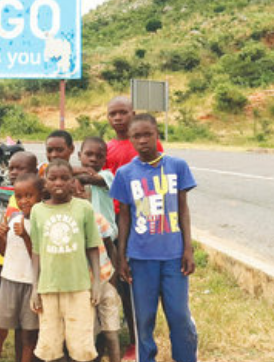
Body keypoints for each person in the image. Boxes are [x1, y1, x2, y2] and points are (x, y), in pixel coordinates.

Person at [110, 114, 198, 362]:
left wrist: (187, 248)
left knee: (179, 315)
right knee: (143, 318)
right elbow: (124, 216)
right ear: (130, 139)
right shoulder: (126, 173)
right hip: (140, 258)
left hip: (173, 255)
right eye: (136, 136)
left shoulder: (177, 166)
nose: (142, 140)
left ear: (156, 134)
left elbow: (182, 209)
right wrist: (123, 257)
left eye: (147, 134)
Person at [103, 96, 163, 361]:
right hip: (115, 222)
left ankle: (139, 338)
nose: (117, 118)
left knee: (136, 282)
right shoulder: (107, 148)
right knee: (118, 278)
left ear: (133, 113)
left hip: (143, 220)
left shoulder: (145, 141)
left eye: (122, 113)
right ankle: (123, 332)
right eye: (112, 114)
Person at [29, 159, 101, 362]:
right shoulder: (37, 211)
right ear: (45, 182)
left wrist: (96, 283)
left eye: (64, 178)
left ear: (73, 181)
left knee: (82, 346)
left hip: (79, 287)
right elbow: (36, 252)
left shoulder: (83, 208)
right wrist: (35, 287)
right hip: (48, 287)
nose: (58, 183)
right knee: (48, 346)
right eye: (53, 178)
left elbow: (92, 247)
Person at [0, 173, 43, 362]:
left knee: (28, 337)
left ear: (40, 196)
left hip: (31, 284)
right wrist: (1, 239)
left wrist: (26, 236)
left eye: (29, 196)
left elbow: (37, 256)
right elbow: (7, 251)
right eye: (19, 197)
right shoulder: (13, 219)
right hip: (9, 281)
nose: (24, 201)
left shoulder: (41, 222)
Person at [75, 137, 121, 362]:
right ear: (79, 154)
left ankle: (104, 351)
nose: (93, 159)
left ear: (105, 160)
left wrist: (65, 169)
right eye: (88, 154)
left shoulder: (107, 176)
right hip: (83, 253)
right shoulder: (71, 184)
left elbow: (88, 177)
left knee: (107, 304)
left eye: (98, 156)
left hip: (104, 242)